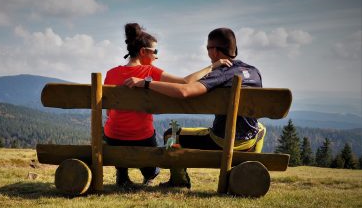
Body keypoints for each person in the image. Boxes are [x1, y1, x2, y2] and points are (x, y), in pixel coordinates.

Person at [124, 27, 265, 189]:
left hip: (222, 141)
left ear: (214, 51)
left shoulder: (221, 73)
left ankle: (179, 181)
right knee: (260, 127)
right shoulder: (254, 72)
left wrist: (146, 82)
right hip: (250, 139)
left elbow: (185, 91)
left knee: (171, 134)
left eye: (207, 49)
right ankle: (252, 162)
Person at [104, 23, 230, 189]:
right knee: (152, 170)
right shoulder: (150, 71)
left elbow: (108, 111)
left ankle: (122, 173)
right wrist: (213, 66)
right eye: (155, 51)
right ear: (143, 52)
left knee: (116, 127)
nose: (157, 56)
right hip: (141, 138)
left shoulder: (111, 73)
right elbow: (186, 82)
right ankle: (149, 173)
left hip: (113, 137)